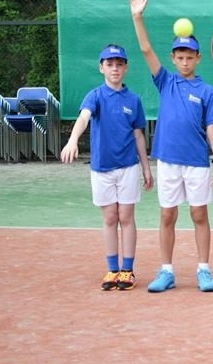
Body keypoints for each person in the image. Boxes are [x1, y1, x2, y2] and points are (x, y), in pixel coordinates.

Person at [129, 0, 213, 293]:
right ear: (173, 58)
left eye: (189, 57)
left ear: (198, 58)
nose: (185, 61)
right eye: (179, 57)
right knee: (167, 214)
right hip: (168, 160)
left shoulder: (207, 91)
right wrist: (137, 17)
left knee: (199, 214)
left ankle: (204, 270)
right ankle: (167, 271)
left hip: (197, 162)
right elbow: (145, 50)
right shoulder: (165, 80)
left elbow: (212, 128)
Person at [60, 43, 153, 291]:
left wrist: (146, 167)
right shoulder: (95, 96)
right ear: (101, 68)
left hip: (128, 167)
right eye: (109, 64)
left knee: (126, 216)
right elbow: (83, 118)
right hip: (101, 168)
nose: (114, 68)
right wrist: (72, 140)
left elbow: (138, 135)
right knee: (110, 217)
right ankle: (112, 269)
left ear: (126, 68)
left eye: (119, 64)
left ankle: (128, 270)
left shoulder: (133, 100)